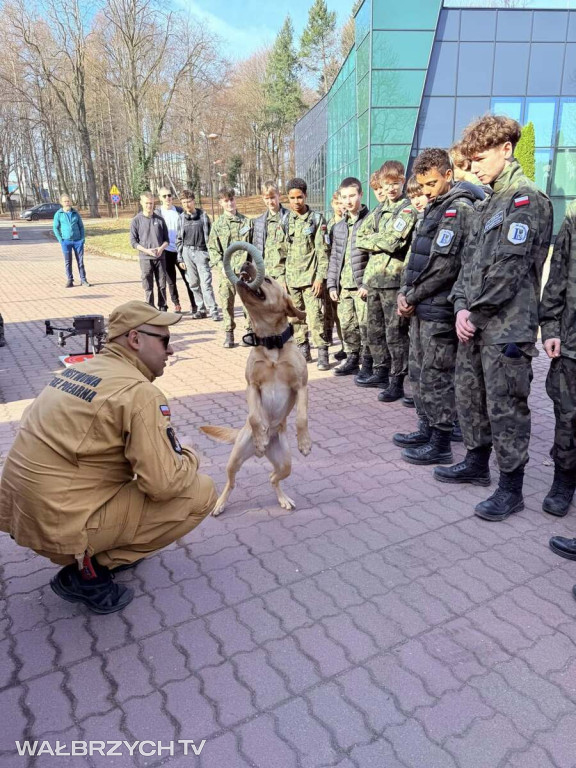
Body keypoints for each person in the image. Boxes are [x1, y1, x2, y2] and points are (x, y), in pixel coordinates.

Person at [0, 301, 217, 613]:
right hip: (59, 526)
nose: (169, 351)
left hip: (22, 514)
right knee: (200, 491)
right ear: (135, 340)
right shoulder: (139, 392)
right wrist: (188, 453)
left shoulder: (78, 370)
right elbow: (164, 484)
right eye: (164, 341)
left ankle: (97, 546)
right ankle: (88, 573)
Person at [435, 115, 553, 521]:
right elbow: (469, 264)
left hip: (507, 327)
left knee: (506, 407)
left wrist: (476, 311)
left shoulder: (526, 200)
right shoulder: (488, 205)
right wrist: (461, 308)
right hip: (475, 323)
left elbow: (510, 268)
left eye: (479, 159)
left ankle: (511, 488)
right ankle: (476, 462)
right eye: (468, 162)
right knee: (471, 398)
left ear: (507, 149)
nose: (473, 168)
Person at [394, 148, 483, 466]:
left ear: (449, 174)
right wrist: (405, 293)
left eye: (431, 183)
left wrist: (413, 295)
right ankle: (426, 428)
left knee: (438, 376)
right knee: (419, 372)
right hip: (421, 307)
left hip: (440, 309)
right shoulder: (435, 207)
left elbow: (444, 266)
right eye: (423, 185)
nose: (427, 191)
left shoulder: (458, 209)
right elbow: (415, 259)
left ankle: (441, 441)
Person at [355, 161, 418, 395]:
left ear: (403, 181)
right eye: (386, 184)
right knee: (374, 330)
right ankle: (381, 371)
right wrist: (381, 240)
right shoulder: (378, 210)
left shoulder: (407, 209)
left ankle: (397, 379)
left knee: (396, 334)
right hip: (374, 280)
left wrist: (377, 240)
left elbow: (394, 242)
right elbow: (359, 236)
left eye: (396, 183)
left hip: (394, 280)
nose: (391, 188)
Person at [539, 202, 576, 519]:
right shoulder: (575, 216)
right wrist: (550, 327)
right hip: (572, 343)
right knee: (567, 419)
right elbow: (558, 274)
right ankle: (563, 482)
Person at [285, 178, 330, 370]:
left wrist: (320, 277)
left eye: (299, 197)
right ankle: (303, 349)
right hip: (292, 279)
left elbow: (322, 251)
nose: (296, 202)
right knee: (295, 318)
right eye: (292, 198)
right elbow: (282, 250)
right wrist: (281, 279)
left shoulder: (317, 219)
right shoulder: (285, 220)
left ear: (306, 196)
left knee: (315, 316)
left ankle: (322, 353)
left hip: (311, 279)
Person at [327, 177, 370, 376]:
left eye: (352, 195)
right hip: (344, 286)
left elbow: (373, 257)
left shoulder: (370, 221)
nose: (349, 201)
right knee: (347, 325)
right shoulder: (339, 227)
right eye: (344, 197)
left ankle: (368, 362)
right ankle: (352, 358)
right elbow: (335, 258)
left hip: (362, 286)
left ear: (360, 194)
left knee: (366, 325)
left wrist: (368, 283)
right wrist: (332, 285)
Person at [208, 188, 253, 348]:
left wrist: (250, 267)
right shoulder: (217, 225)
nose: (230, 203)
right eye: (226, 201)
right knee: (226, 303)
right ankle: (229, 334)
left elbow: (253, 247)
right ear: (221, 203)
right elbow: (213, 249)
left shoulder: (247, 222)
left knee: (248, 303)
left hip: (244, 272)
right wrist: (221, 267)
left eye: (232, 199)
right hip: (226, 273)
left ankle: (249, 333)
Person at [176, 190, 219, 321]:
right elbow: (178, 239)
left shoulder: (203, 216)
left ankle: (213, 309)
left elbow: (210, 238)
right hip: (187, 252)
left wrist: (211, 254)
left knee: (206, 283)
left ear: (194, 201)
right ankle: (201, 309)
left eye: (189, 201)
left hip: (201, 252)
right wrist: (180, 258)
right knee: (193, 283)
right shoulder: (181, 218)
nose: (187, 204)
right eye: (184, 202)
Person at [156, 187, 197, 314]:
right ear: (160, 198)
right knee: (171, 281)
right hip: (166, 252)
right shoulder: (158, 213)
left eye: (169, 195)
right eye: (164, 196)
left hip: (181, 251)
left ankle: (194, 304)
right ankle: (177, 304)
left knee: (189, 278)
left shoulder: (179, 211)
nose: (168, 198)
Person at [130, 192, 169, 310]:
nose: (149, 206)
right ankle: (150, 309)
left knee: (162, 284)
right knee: (148, 286)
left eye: (151, 203)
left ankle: (163, 308)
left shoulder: (160, 220)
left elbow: (167, 240)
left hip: (160, 258)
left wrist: (161, 248)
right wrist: (146, 251)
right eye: (147, 203)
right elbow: (133, 242)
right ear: (141, 203)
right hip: (145, 259)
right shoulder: (136, 220)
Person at [252, 181, 290, 289]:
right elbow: (257, 249)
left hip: (282, 275)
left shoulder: (289, 218)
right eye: (266, 198)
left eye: (273, 197)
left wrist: (285, 277)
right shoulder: (259, 222)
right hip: (265, 275)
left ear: (279, 195)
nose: (270, 201)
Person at [53, 194, 91, 288]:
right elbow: (55, 228)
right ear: (61, 203)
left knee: (80, 261)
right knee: (68, 261)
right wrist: (60, 239)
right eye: (65, 201)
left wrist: (82, 239)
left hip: (78, 241)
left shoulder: (75, 213)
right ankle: (70, 280)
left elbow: (81, 226)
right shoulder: (59, 214)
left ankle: (83, 280)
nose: (67, 203)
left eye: (68, 201)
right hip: (66, 242)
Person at [326, 191, 345, 361]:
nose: (340, 207)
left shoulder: (349, 223)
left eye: (342, 203)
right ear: (332, 204)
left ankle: (351, 346)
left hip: (344, 272)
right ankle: (344, 345)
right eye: (337, 203)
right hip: (331, 273)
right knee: (334, 313)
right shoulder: (328, 224)